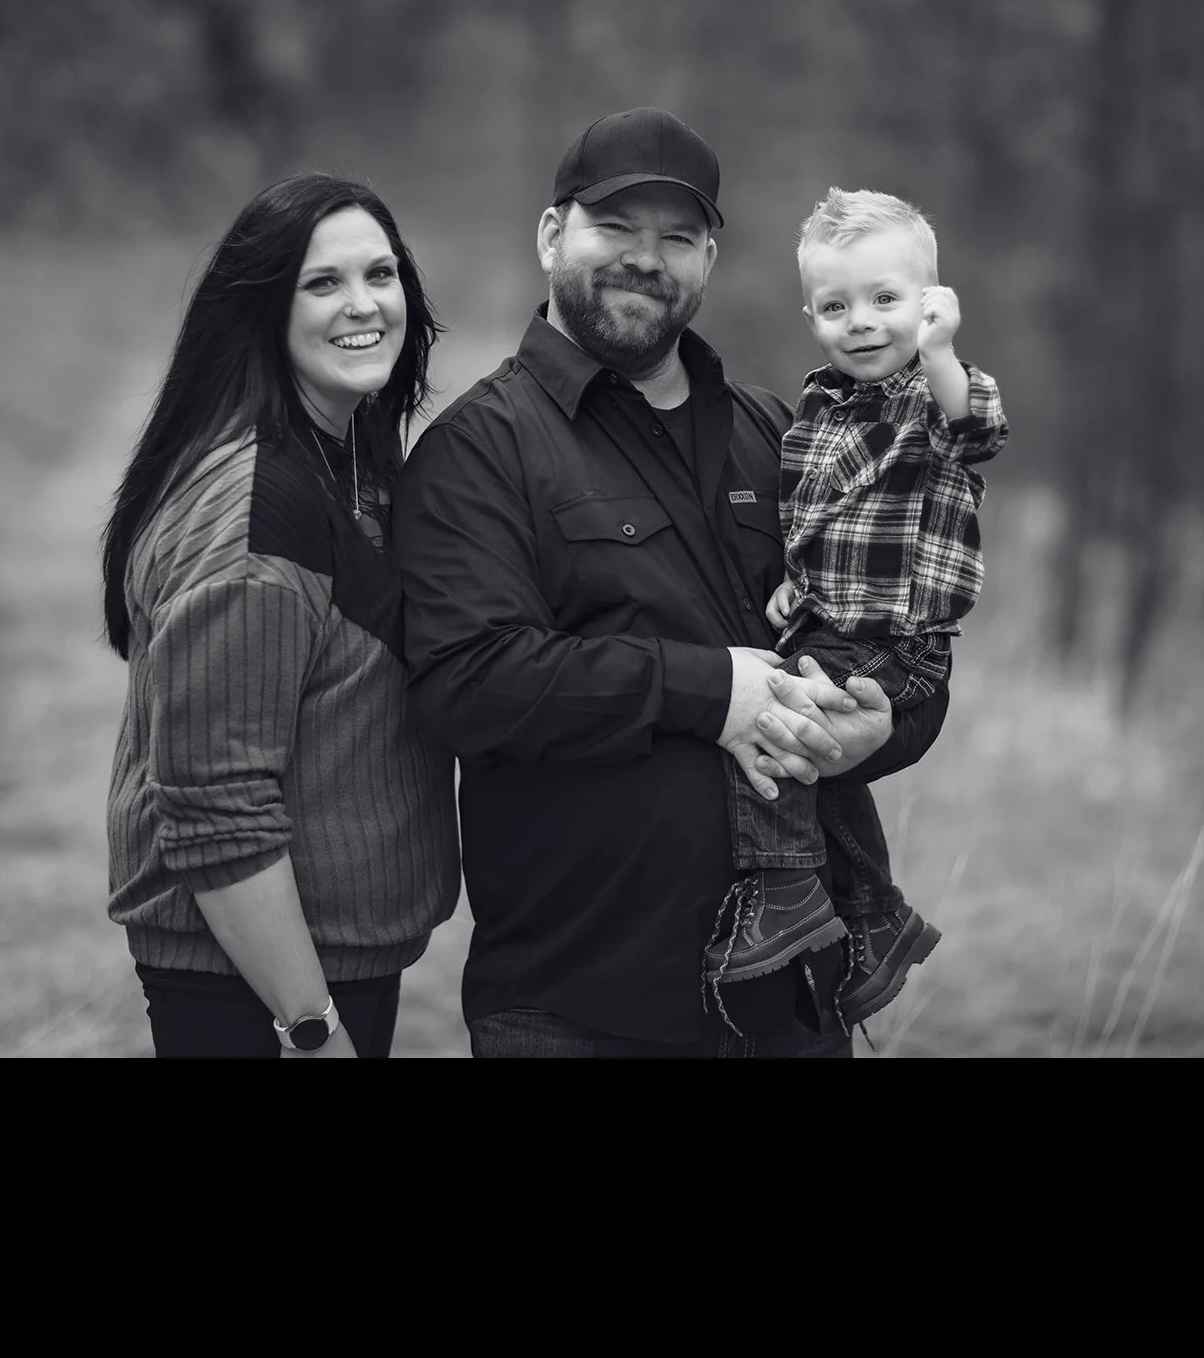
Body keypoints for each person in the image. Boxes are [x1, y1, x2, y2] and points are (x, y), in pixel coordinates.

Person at [394, 107, 948, 1058]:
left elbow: (900, 636)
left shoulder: (782, 434)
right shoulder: (477, 451)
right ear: (551, 235)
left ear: (709, 262)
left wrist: (874, 728)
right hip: (580, 1006)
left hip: (794, 1005)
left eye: (678, 239)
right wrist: (714, 690)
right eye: (616, 229)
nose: (646, 260)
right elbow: (468, 683)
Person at [101, 174, 459, 1058]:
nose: (364, 304)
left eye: (381, 274)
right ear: (263, 310)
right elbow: (218, 809)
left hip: (321, 961)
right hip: (250, 983)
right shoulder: (255, 522)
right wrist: (309, 1028)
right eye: (322, 282)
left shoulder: (349, 458)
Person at [712, 186, 1008, 1023]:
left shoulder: (929, 396)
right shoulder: (816, 412)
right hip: (832, 621)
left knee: (775, 722)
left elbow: (975, 428)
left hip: (899, 640)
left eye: (887, 300)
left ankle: (784, 895)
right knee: (826, 767)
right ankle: (875, 921)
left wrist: (944, 353)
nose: (864, 321)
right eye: (837, 305)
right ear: (812, 316)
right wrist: (794, 585)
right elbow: (818, 518)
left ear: (930, 304)